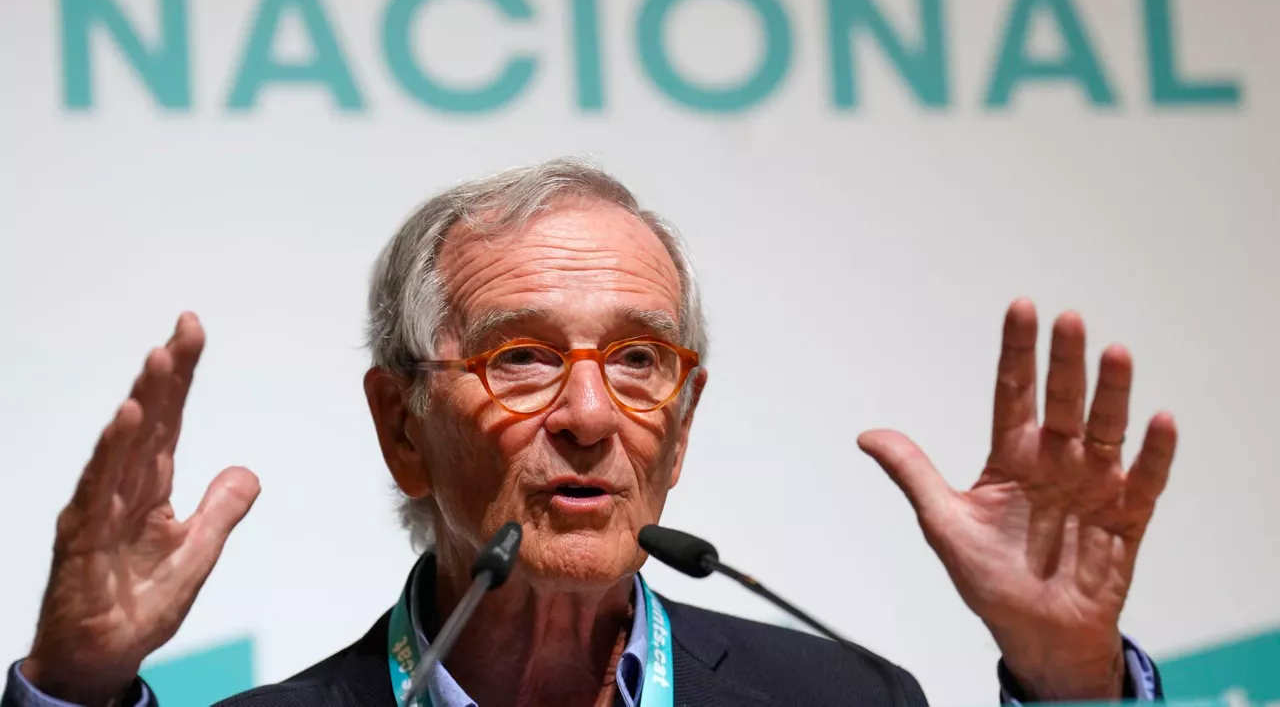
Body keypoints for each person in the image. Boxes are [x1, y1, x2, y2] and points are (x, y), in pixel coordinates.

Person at [4, 158, 1176, 707]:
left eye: (637, 361)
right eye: (519, 355)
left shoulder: (844, 699)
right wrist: (72, 687)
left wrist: (1070, 683)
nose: (584, 414)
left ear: (681, 420)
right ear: (400, 425)